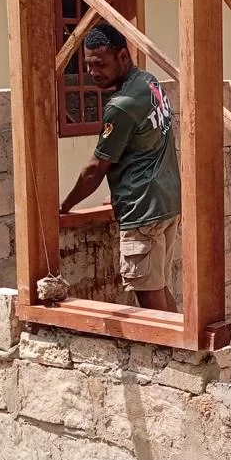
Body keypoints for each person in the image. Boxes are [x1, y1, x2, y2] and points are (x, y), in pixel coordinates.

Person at [60, 23, 181, 312]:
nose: (93, 72)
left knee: (149, 300)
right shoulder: (149, 83)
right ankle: (182, 342)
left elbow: (95, 169)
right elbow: (144, 147)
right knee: (159, 287)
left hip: (142, 211)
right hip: (165, 201)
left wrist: (65, 207)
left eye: (101, 64)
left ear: (123, 57)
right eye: (88, 65)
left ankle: (169, 343)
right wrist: (119, 193)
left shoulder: (122, 105)